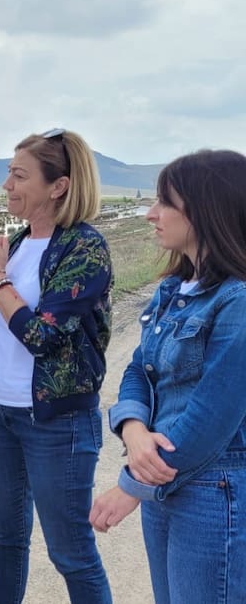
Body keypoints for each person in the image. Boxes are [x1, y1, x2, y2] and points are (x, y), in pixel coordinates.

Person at [0, 128, 113, 602]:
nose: (7, 184)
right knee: (5, 538)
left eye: (19, 175)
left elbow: (42, 337)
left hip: (56, 420)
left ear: (59, 186)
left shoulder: (84, 250)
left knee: (71, 552)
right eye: (8, 173)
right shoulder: (20, 241)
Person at [89, 149, 246, 603]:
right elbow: (140, 367)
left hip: (214, 489)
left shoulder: (237, 300)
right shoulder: (173, 290)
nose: (151, 214)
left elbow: (213, 414)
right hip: (165, 481)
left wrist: (132, 486)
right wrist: (135, 431)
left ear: (205, 211)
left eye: (164, 203)